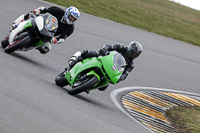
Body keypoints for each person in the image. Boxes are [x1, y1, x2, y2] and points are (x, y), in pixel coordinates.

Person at [67, 41, 143, 91]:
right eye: (133, 53)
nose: (134, 55)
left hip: (110, 71)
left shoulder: (131, 64)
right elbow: (109, 47)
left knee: (103, 87)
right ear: (130, 48)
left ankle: (87, 85)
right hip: (105, 59)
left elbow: (125, 74)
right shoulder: (121, 48)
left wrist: (119, 78)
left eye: (136, 54)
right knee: (88, 53)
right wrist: (104, 50)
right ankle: (74, 60)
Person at [3, 6, 80, 54]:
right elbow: (44, 10)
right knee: (31, 14)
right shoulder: (57, 11)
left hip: (48, 35)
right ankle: (17, 24)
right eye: (71, 17)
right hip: (41, 23)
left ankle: (34, 45)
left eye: (74, 19)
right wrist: (38, 11)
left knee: (46, 49)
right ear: (67, 13)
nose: (72, 19)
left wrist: (55, 40)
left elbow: (62, 38)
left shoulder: (70, 28)